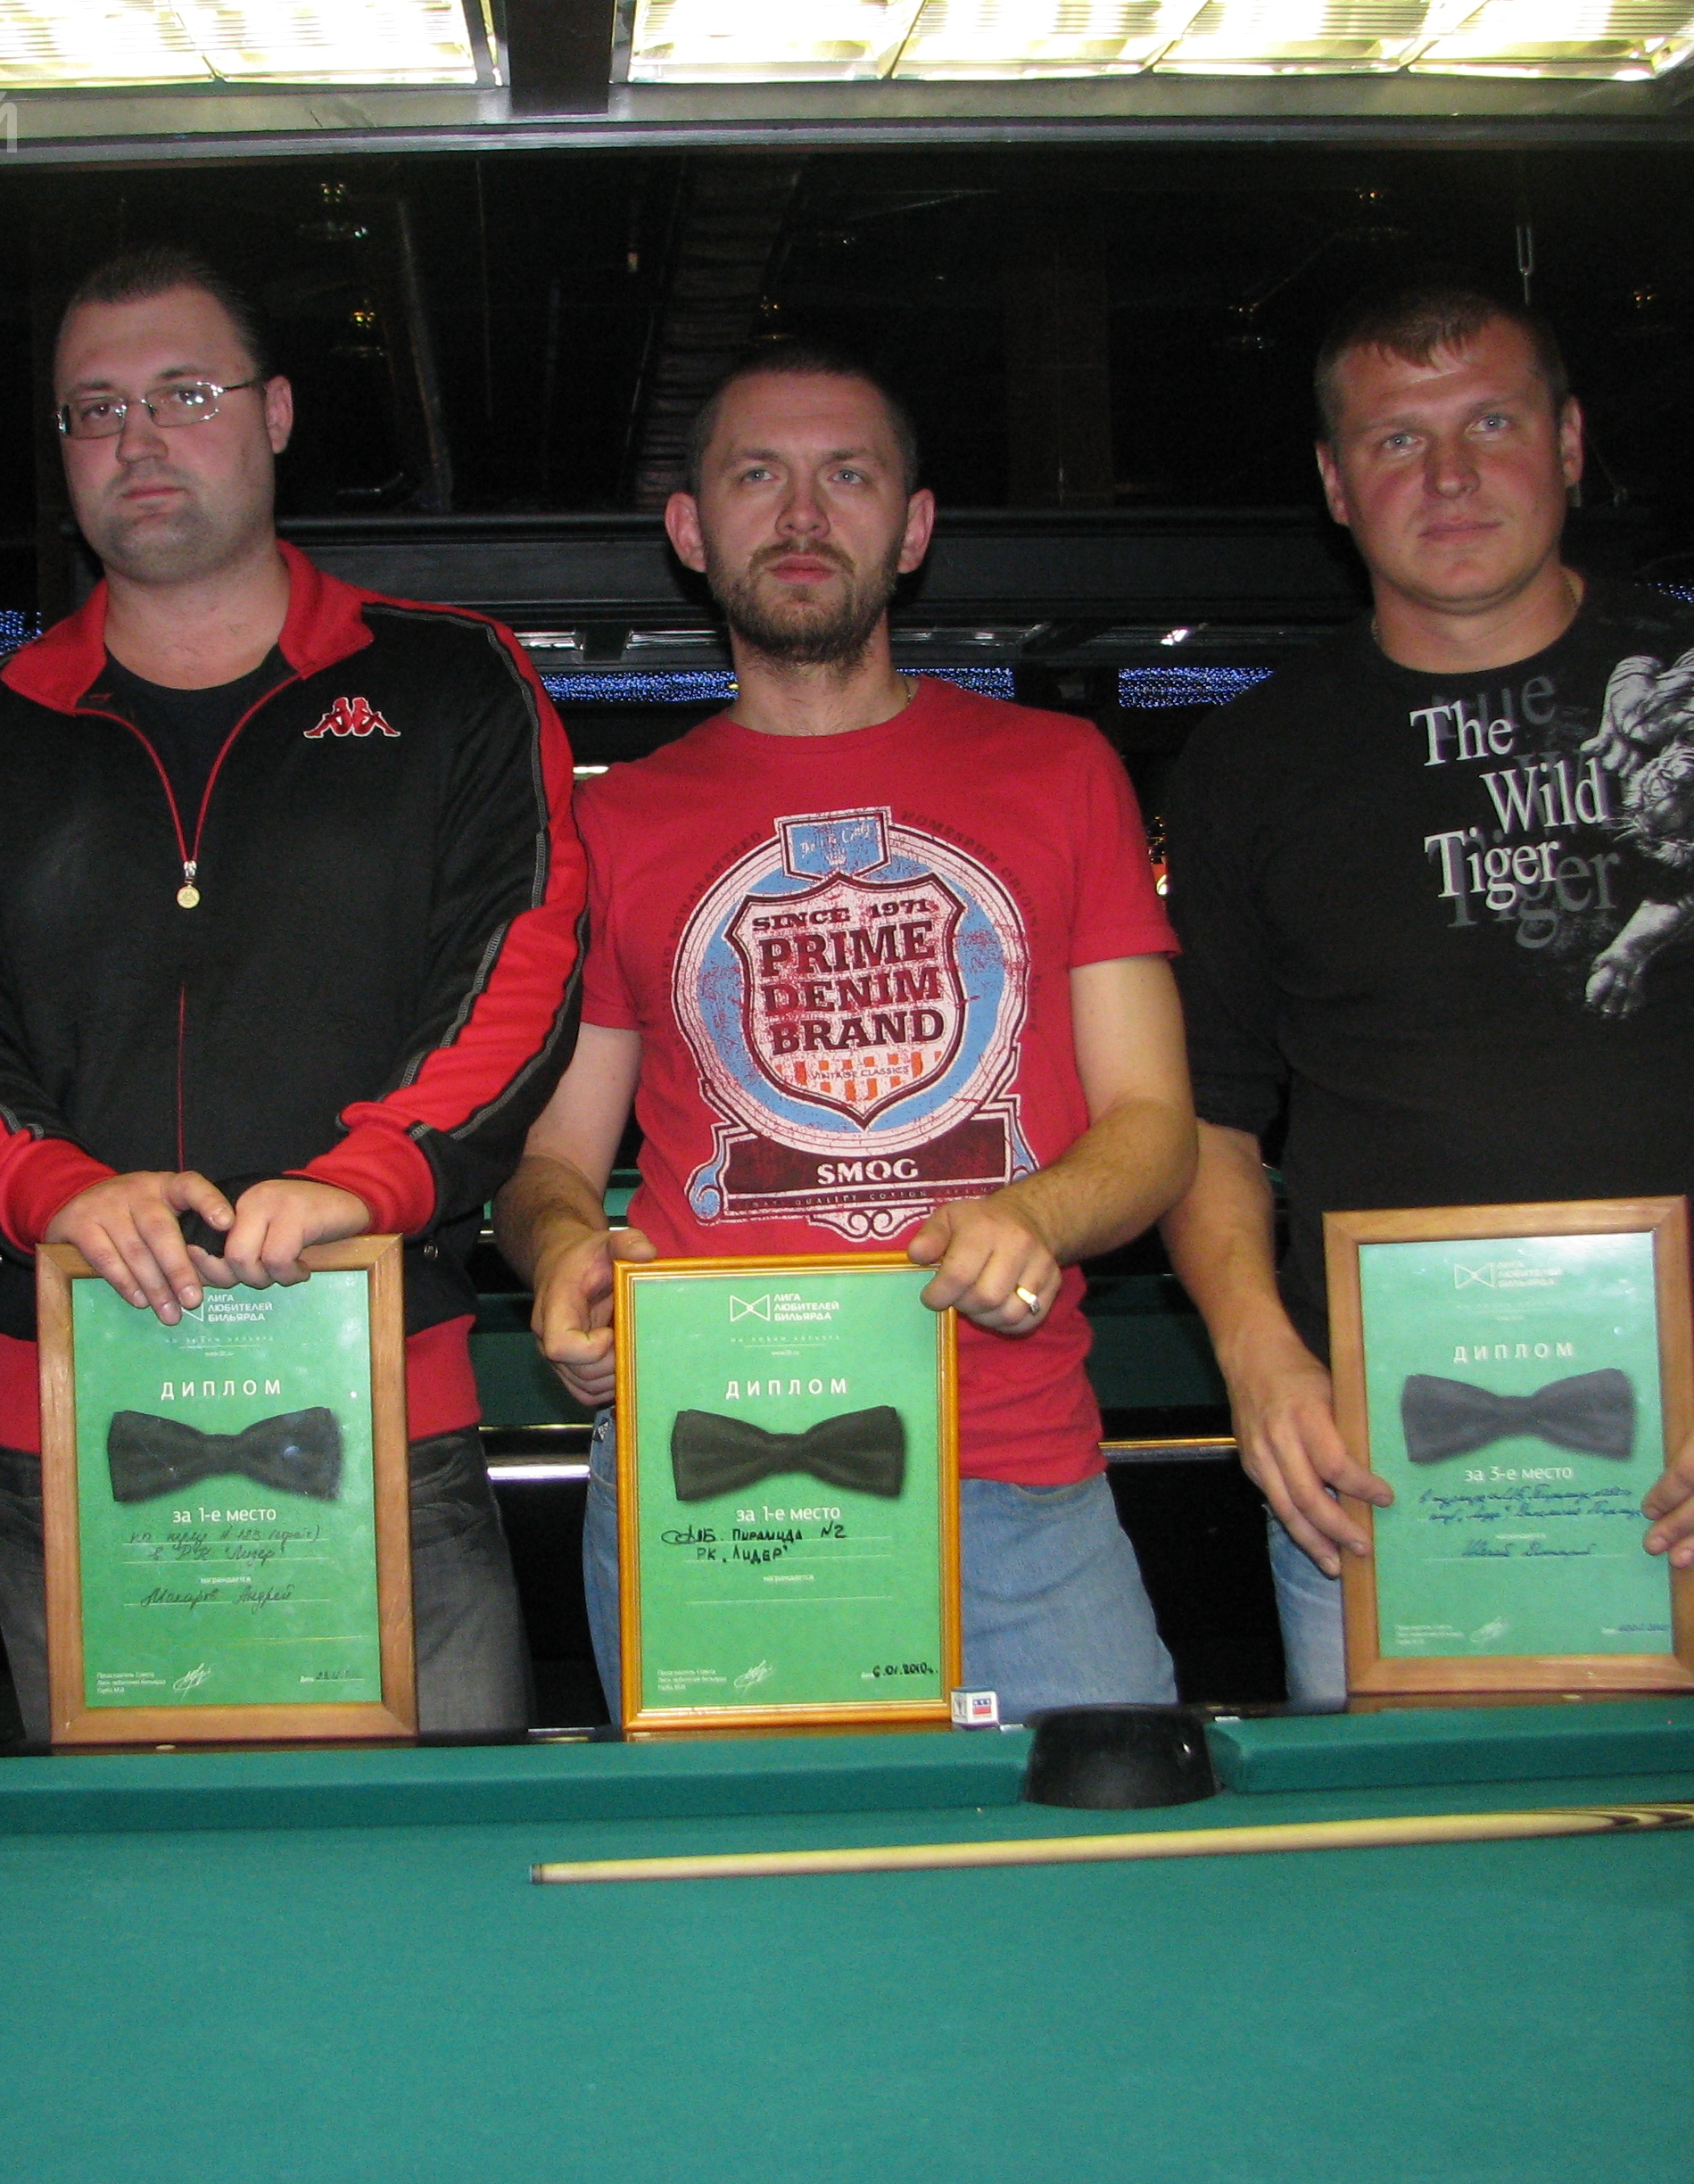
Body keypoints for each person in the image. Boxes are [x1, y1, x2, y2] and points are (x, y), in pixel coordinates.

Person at [1159, 278, 1694, 1707]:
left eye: (1493, 424)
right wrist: (1258, 1359)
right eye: (1398, 440)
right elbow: (1208, 1107)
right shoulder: (1249, 761)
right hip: (1371, 1485)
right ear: (1335, 484)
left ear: (1570, 444)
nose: (1450, 476)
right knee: (1417, 1856)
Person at [0, 246, 584, 1742]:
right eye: (96, 408)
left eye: (183, 394)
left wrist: (367, 1177)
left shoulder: (454, 682)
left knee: (426, 1867)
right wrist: (54, 1187)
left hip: (381, 1399)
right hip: (64, 1426)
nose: (138, 438)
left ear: (274, 414)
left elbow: (519, 968)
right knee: (129, 1879)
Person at [493, 342, 1198, 1718]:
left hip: (1014, 1477)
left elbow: (1154, 1125)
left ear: (914, 528)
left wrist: (1035, 1216)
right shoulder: (613, 821)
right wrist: (567, 1248)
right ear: (691, 530)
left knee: (1101, 1847)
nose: (804, 514)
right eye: (758, 476)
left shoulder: (1061, 773)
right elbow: (549, 1163)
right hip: (706, 1477)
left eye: (850, 476)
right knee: (750, 1867)